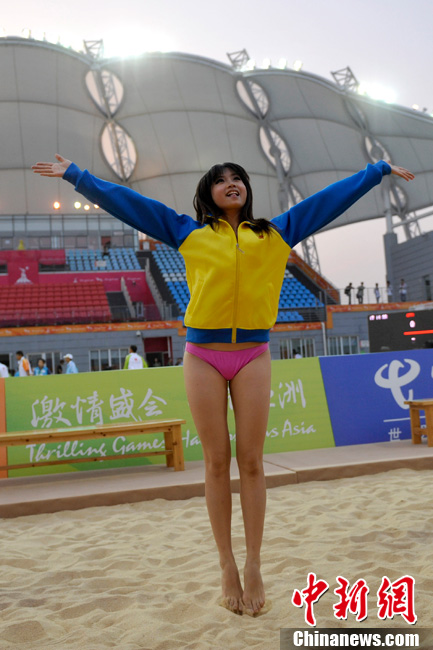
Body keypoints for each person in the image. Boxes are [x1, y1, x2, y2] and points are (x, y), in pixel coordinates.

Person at [32, 153, 414, 616]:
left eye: (238, 178)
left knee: (251, 462)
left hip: (253, 354)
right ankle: (226, 563)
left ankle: (253, 563)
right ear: (208, 193)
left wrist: (375, 171)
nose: (232, 184)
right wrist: (77, 176)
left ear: (247, 189)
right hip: (203, 357)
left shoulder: (275, 234)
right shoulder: (188, 233)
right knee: (216, 462)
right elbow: (132, 205)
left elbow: (326, 202)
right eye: (221, 180)